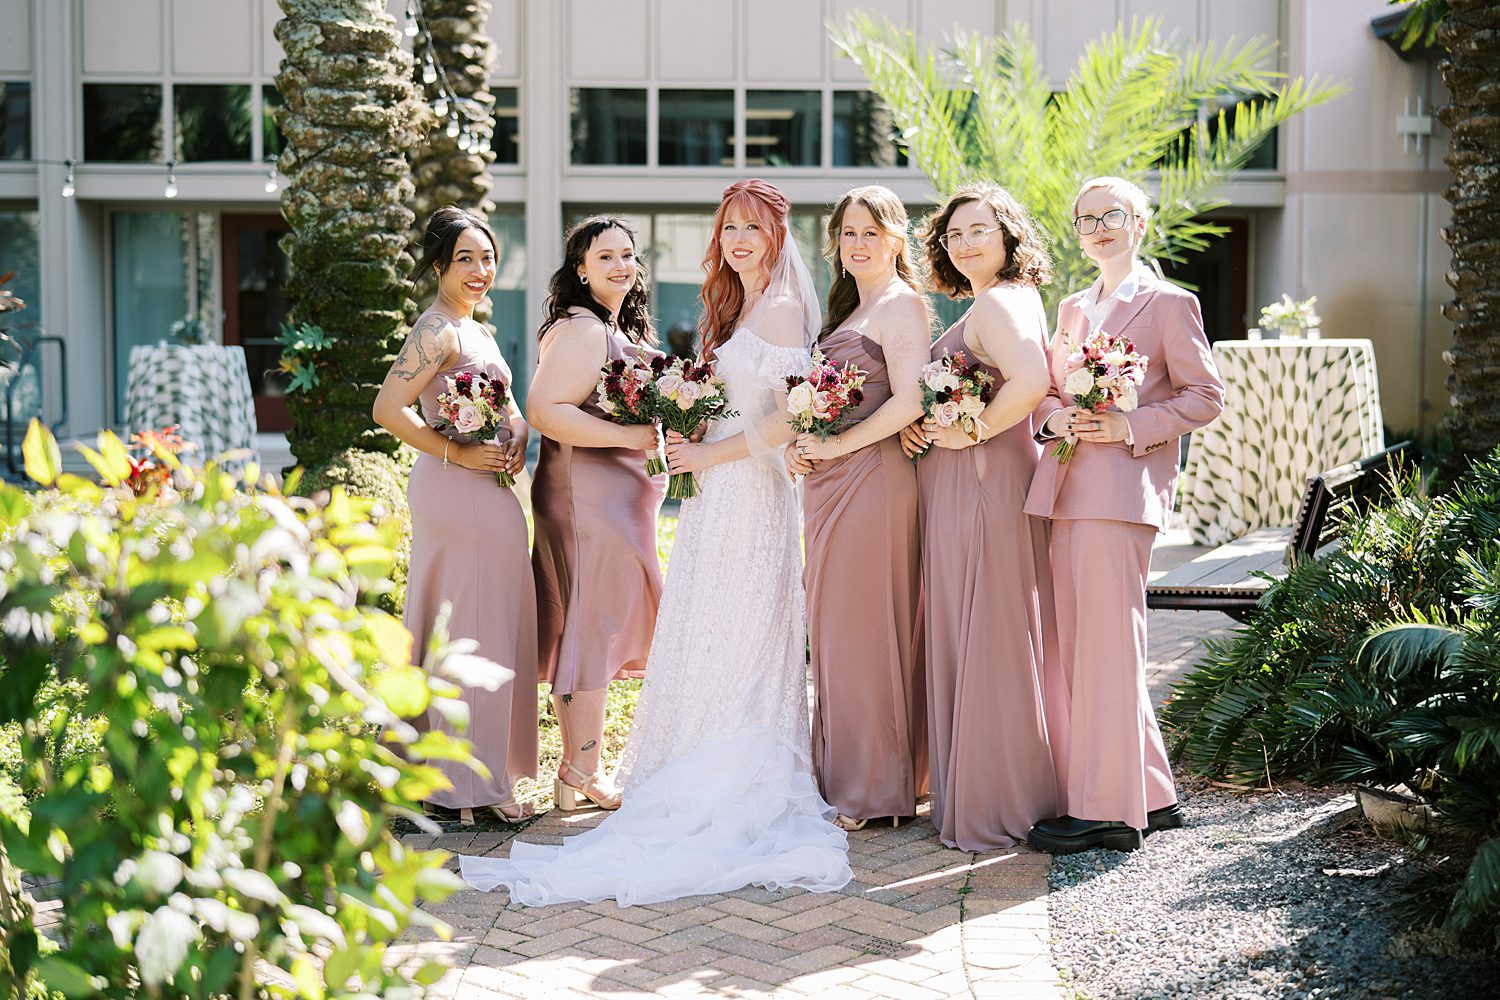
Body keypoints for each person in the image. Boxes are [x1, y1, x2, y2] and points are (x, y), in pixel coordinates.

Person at [460, 179, 851, 905]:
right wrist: (686, 434)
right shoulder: (732, 310)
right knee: (704, 629)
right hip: (708, 494)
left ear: (776, 236)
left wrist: (704, 452)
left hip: (746, 492)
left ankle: (737, 768)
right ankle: (683, 757)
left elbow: (791, 419)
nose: (738, 239)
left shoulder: (788, 305)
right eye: (728, 226)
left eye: (752, 228)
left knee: (741, 630)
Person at [1023, 176, 1225, 854]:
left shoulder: (1170, 303)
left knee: (1105, 649)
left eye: (1112, 215)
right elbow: (1045, 395)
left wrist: (1131, 426)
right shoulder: (1073, 308)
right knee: (1090, 644)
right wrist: (1056, 418)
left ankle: (1107, 810)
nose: (1099, 227)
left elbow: (1205, 397)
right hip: (1066, 493)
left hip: (1121, 497)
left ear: (1139, 223)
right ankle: (1153, 792)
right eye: (1086, 219)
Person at [898, 184, 1059, 851]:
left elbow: (1029, 382)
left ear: (1008, 235)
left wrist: (974, 431)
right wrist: (927, 426)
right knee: (986, 631)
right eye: (954, 235)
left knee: (987, 634)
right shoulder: (1004, 299)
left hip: (982, 487)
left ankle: (996, 803)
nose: (964, 244)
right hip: (973, 484)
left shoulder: (998, 300)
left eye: (978, 231)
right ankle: (996, 790)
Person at [372, 205, 536, 826]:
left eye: (487, 258)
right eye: (464, 258)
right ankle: (462, 787)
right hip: (453, 489)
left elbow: (511, 405)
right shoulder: (434, 330)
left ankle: (455, 774)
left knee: (482, 624)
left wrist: (516, 432)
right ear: (439, 264)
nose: (479, 269)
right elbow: (389, 408)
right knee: (470, 627)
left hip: (487, 488)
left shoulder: (480, 331)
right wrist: (458, 453)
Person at [787, 185, 928, 832]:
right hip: (830, 484)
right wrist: (801, 444)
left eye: (872, 231)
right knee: (838, 632)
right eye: (848, 233)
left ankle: (876, 791)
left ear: (897, 238)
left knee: (866, 630)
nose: (859, 243)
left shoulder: (901, 306)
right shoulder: (848, 312)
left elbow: (909, 402)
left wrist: (837, 443)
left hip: (873, 482)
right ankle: (847, 777)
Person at [526, 217, 665, 813]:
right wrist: (636, 436)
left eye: (627, 255)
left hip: (608, 497)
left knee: (587, 625)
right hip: (588, 500)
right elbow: (544, 410)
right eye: (603, 256)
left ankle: (573, 771)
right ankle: (583, 767)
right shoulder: (583, 328)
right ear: (579, 268)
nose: (619, 265)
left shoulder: (608, 327)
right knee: (591, 626)